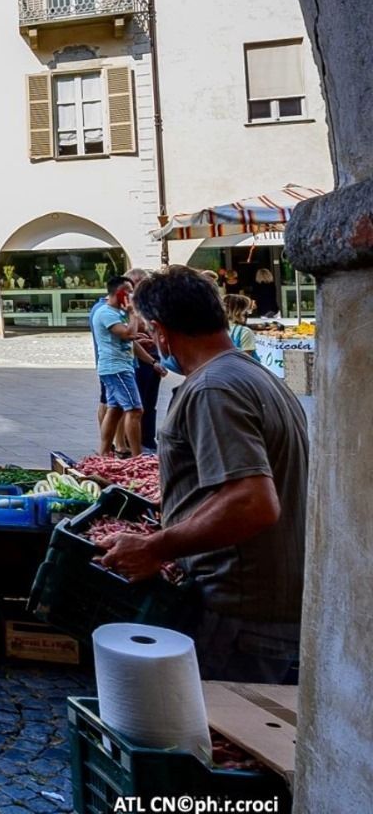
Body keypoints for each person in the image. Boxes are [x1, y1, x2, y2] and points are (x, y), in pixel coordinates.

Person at [101, 265, 309, 683]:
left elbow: (252, 502)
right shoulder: (255, 375)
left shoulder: (214, 388)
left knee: (219, 734)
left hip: (238, 611)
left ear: (160, 331)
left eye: (145, 329)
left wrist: (156, 546)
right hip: (265, 603)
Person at [90, 276, 142, 456]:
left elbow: (130, 336)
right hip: (116, 368)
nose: (132, 295)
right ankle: (137, 456)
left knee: (115, 409)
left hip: (119, 366)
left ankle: (104, 453)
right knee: (135, 410)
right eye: (129, 291)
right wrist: (133, 313)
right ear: (119, 293)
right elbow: (128, 333)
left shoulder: (116, 312)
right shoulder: (106, 313)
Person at [125, 271, 171, 452]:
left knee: (150, 403)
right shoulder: (129, 308)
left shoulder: (148, 304)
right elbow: (129, 335)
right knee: (138, 404)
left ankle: (148, 439)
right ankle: (133, 442)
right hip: (138, 360)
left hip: (153, 356)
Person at [224, 293, 261, 361]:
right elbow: (247, 363)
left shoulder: (215, 330)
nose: (249, 312)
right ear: (241, 312)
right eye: (248, 310)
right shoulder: (244, 332)